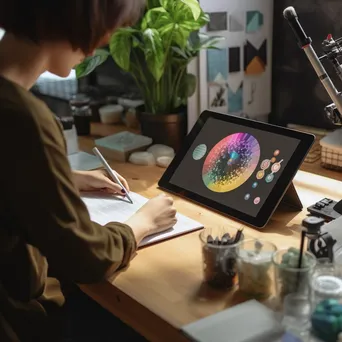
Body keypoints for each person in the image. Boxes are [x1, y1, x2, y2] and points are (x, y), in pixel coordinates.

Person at [0, 1, 178, 341]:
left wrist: (60, 177)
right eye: (107, 26)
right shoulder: (23, 117)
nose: (106, 40)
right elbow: (83, 257)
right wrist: (141, 224)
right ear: (76, 17)